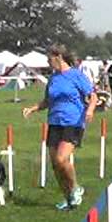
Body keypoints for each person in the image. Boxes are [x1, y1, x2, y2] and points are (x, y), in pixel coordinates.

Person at [22, 44, 97, 211]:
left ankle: (76, 188)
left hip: (73, 122)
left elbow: (93, 96)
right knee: (55, 165)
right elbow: (47, 101)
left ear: (59, 57)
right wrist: (33, 108)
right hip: (54, 122)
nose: (48, 62)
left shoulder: (76, 75)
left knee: (61, 159)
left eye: (49, 59)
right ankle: (68, 198)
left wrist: (90, 110)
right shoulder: (53, 79)